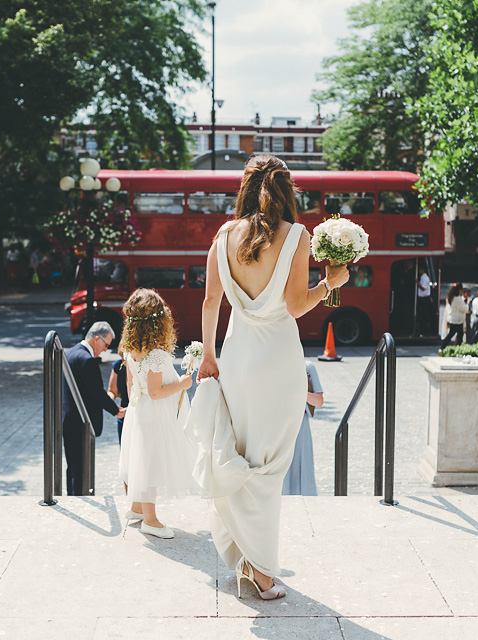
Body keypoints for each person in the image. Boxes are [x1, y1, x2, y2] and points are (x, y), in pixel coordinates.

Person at [190, 155, 350, 600]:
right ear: (287, 192)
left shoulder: (222, 236)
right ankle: (260, 574)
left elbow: (209, 304)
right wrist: (332, 282)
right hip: (279, 362)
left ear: (244, 188)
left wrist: (208, 357)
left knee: (242, 454)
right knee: (269, 467)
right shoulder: (296, 236)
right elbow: (297, 306)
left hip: (237, 358)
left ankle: (244, 558)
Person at [118, 289, 196, 539]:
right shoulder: (157, 355)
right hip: (152, 414)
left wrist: (135, 409)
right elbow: (156, 391)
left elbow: (133, 386)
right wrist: (183, 385)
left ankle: (137, 507)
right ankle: (150, 520)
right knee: (150, 463)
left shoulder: (130, 350)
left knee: (141, 459)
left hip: (139, 410)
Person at [63, 321, 125, 496]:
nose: (106, 350)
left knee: (73, 466)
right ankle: (80, 500)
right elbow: (96, 392)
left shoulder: (71, 353)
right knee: (81, 467)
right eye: (106, 345)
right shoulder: (87, 360)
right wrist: (116, 410)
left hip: (69, 419)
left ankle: (73, 497)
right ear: (97, 339)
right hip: (82, 422)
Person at [281, 361, 322, 496]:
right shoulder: (273, 365)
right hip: (278, 425)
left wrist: (299, 390)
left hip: (300, 424)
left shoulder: (308, 367)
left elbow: (319, 401)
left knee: (303, 466)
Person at [439, 283, 469, 351]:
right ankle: (444, 347)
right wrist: (467, 304)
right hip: (457, 320)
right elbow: (463, 308)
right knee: (457, 335)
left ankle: (444, 347)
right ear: (459, 290)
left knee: (455, 335)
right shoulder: (457, 299)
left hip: (453, 319)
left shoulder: (451, 297)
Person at [107, 352, 129, 441]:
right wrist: (108, 401)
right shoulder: (118, 366)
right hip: (123, 414)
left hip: (140, 413)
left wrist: (129, 410)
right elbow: (112, 391)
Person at [416, 266, 433, 336]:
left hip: (425, 299)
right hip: (422, 298)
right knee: (422, 315)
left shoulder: (425, 278)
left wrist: (417, 283)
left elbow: (423, 288)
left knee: (423, 315)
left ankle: (424, 331)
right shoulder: (422, 277)